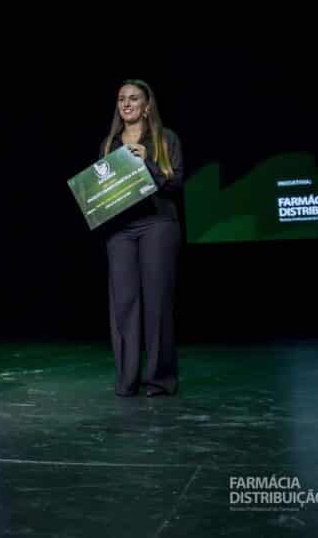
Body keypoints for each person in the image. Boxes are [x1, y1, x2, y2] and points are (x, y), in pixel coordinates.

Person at [101, 79, 184, 397]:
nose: (126, 103)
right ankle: (128, 379)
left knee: (157, 303)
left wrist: (146, 161)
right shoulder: (109, 144)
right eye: (121, 98)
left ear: (147, 105)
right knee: (124, 305)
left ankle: (159, 379)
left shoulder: (165, 139)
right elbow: (102, 190)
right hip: (120, 230)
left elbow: (175, 184)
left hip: (157, 225)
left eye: (134, 98)